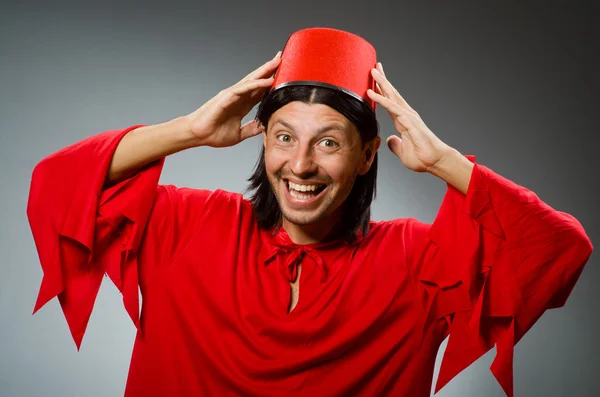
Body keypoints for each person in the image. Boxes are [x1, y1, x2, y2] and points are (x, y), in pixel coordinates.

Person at [27, 28, 592, 397]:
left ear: (368, 153)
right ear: (263, 143)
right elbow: (56, 184)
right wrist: (190, 131)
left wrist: (445, 162)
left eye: (328, 142)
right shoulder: (187, 225)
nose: (300, 165)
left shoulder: (416, 260)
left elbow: (561, 248)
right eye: (283, 136)